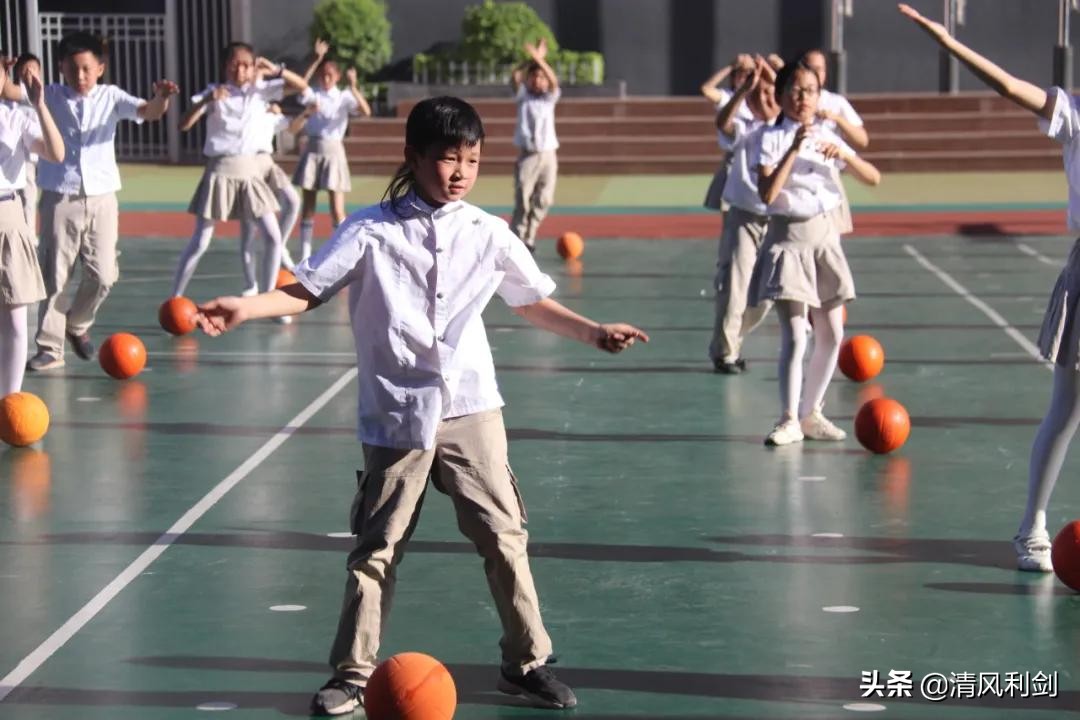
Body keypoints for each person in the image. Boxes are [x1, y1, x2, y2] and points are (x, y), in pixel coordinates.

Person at [194, 96, 648, 716]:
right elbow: (307, 290)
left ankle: (526, 663)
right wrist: (245, 307)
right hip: (396, 411)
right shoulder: (370, 229)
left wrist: (593, 332)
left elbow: (530, 300)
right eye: (447, 158)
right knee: (377, 548)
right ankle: (353, 674)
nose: (461, 172)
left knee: (504, 536)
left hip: (471, 408)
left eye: (473, 160)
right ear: (412, 156)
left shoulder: (487, 231)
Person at [898, 2, 1080, 572]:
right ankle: (1032, 527)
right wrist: (948, 42)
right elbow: (1008, 86)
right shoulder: (1075, 115)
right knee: (1067, 409)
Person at [1, 32, 176, 371]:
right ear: (61, 68)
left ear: (100, 68)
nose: (79, 76)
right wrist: (10, 71)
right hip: (60, 195)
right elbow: (7, 91)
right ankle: (50, 347)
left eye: (86, 68)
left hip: (102, 196)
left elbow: (149, 112)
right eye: (72, 69)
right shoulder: (49, 94)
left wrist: (162, 98)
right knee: (54, 274)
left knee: (104, 274)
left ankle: (77, 322)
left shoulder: (111, 96)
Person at [752, 59, 881, 446]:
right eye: (794, 90)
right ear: (780, 95)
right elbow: (767, 194)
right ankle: (788, 418)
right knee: (795, 334)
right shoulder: (768, 137)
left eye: (810, 90)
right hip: (789, 239)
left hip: (825, 238)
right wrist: (794, 148)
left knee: (833, 332)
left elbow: (873, 177)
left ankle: (811, 413)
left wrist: (844, 155)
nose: (802, 97)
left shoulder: (827, 134)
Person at [172, 41, 307, 301]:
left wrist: (276, 70)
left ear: (254, 67)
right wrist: (207, 101)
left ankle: (267, 299)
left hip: (250, 172)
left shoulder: (261, 92)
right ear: (226, 66)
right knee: (201, 240)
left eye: (246, 65)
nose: (240, 70)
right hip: (220, 169)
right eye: (235, 64)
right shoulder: (213, 93)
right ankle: (175, 296)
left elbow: (301, 87)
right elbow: (183, 125)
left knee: (273, 236)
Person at [708, 56, 780, 374]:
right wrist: (742, 92)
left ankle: (733, 337)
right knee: (735, 284)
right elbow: (723, 123)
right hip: (744, 216)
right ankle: (725, 353)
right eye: (757, 94)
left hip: (778, 218)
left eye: (769, 93)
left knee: (767, 296)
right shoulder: (745, 128)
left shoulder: (789, 129)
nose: (764, 98)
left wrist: (773, 74)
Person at [0, 58, 64, 395]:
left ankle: (9, 400)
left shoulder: (16, 118)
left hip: (6, 216)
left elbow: (56, 152)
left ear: (4, 76)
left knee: (15, 317)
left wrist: (39, 105)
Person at [292, 38, 371, 262]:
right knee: (308, 205)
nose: (326, 79)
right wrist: (316, 60)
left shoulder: (344, 96)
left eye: (330, 75)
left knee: (337, 208)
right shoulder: (314, 94)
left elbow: (366, 111)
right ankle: (305, 254)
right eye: (323, 75)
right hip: (313, 149)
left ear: (337, 76)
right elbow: (300, 84)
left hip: (334, 151)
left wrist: (354, 87)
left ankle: (340, 252)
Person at [510, 38, 560, 252]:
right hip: (528, 155)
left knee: (544, 198)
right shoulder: (523, 97)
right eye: (534, 77)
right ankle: (517, 237)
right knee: (523, 198)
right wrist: (531, 60)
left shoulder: (549, 98)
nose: (538, 80)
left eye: (541, 77)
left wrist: (540, 59)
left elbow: (554, 80)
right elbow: (515, 75)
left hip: (548, 154)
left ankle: (530, 236)